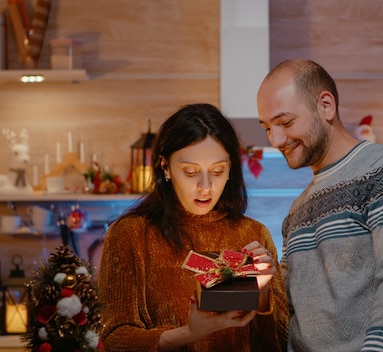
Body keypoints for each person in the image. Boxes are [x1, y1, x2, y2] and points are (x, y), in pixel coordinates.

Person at [257, 59, 383, 352]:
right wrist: (263, 281)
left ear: (326, 106)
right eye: (267, 128)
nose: (276, 140)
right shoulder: (297, 209)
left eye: (285, 122)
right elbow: (289, 313)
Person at [98, 103, 289, 352]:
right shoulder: (130, 234)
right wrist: (188, 334)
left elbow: (282, 342)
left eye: (218, 171)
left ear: (231, 168)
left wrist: (261, 296)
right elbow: (115, 338)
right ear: (165, 167)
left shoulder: (254, 234)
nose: (205, 186)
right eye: (190, 172)